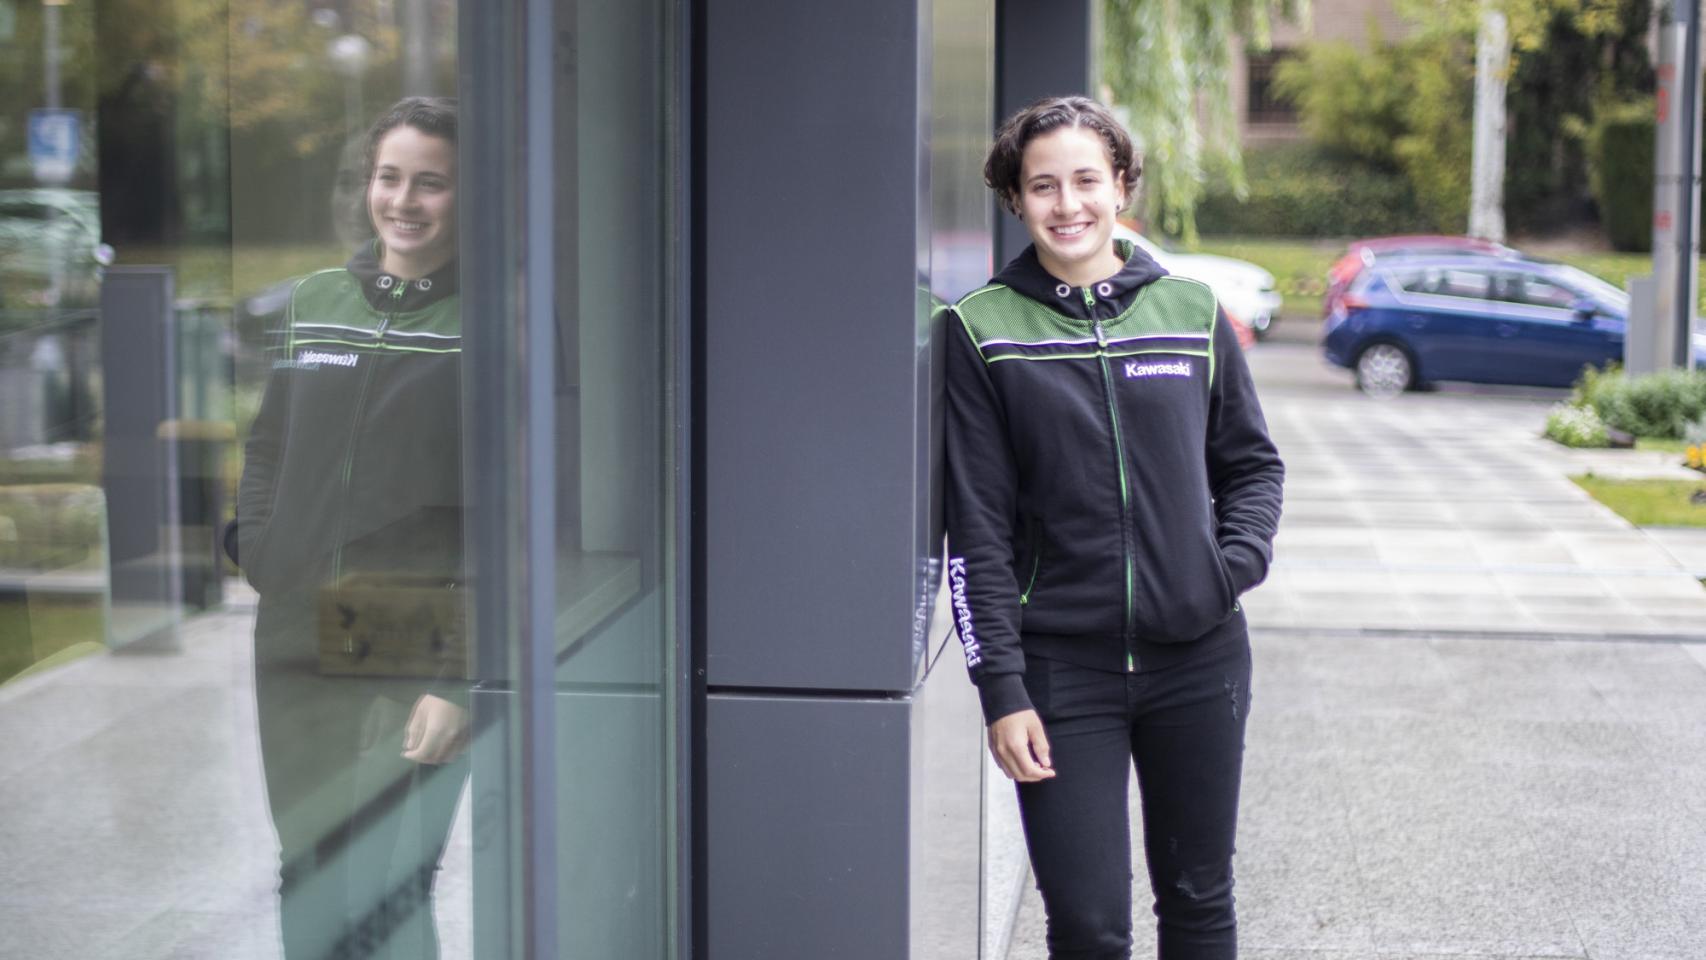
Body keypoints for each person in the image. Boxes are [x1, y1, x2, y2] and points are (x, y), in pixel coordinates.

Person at [945, 96, 1284, 960]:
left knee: (1199, 900)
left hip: (1199, 660)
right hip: (1063, 673)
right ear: (1016, 199)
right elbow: (977, 530)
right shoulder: (981, 331)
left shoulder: (1191, 312)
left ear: (1122, 185)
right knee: (1090, 924)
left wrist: (1225, 568)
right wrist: (1002, 690)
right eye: (1043, 185)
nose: (1068, 205)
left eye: (1087, 180)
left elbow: (1252, 467)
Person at [235, 96, 468, 960]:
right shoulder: (316, 299)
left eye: (431, 183)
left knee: (395, 886)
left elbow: (518, 513)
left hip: (417, 632)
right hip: (296, 627)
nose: (404, 200)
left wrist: (463, 680)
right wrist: (257, 549)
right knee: (309, 865)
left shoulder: (494, 320)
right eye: (390, 177)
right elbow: (268, 447)